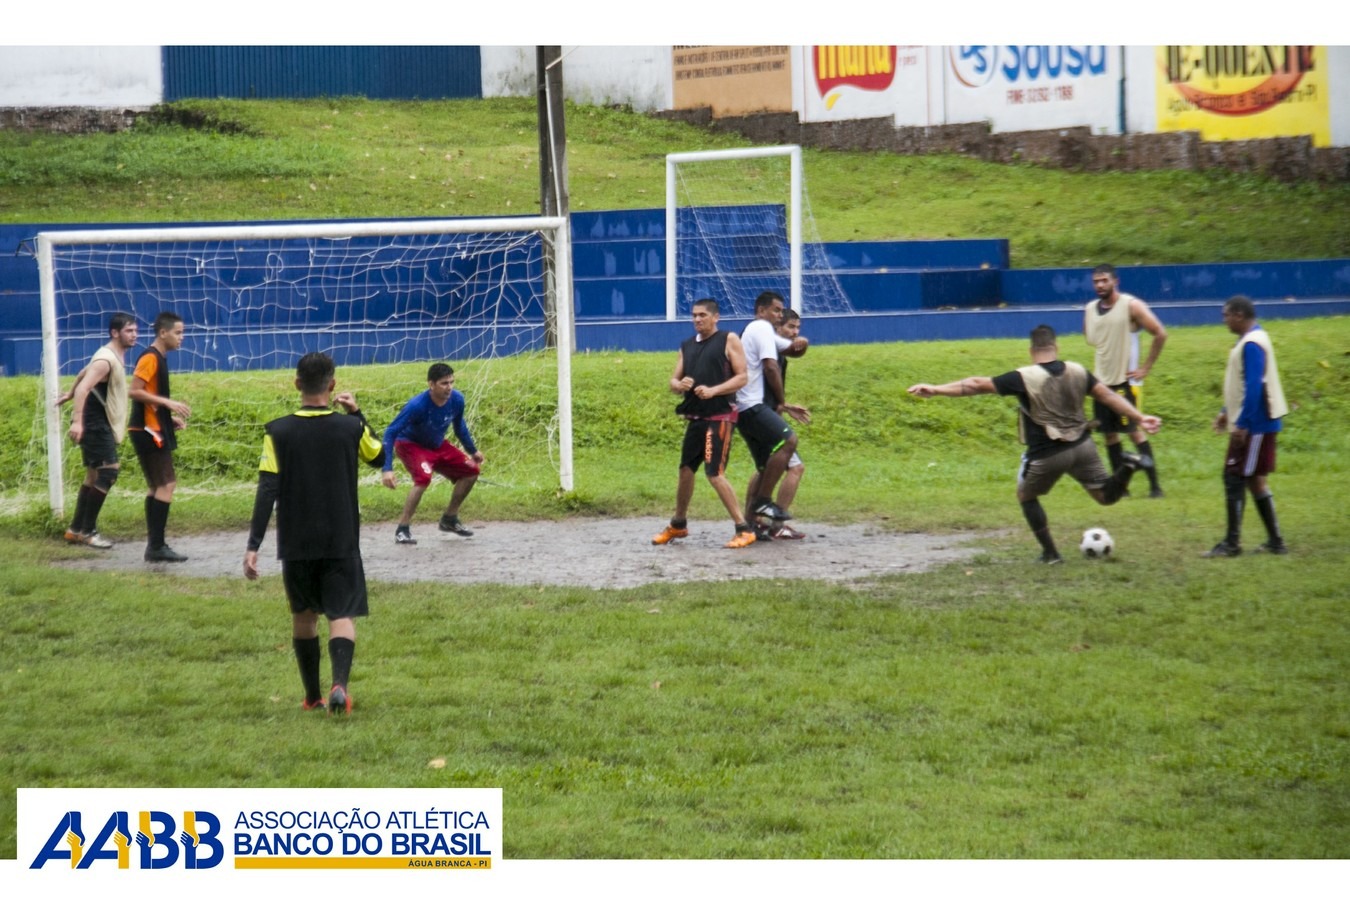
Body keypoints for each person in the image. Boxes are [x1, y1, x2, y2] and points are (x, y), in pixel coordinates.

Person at [907, 324, 1161, 564]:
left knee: (1026, 495)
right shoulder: (1077, 370)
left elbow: (975, 384)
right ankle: (1127, 465)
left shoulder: (1023, 377)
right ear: (1056, 346)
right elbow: (1107, 396)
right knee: (1105, 497)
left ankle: (1051, 553)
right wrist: (1140, 417)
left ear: (1031, 350)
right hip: (1083, 447)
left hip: (1048, 453)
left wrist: (936, 389)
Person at [244, 352, 386, 715]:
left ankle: (312, 696)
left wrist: (253, 545)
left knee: (304, 617)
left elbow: (267, 489)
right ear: (333, 385)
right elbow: (378, 455)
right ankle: (340, 684)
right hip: (340, 538)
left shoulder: (277, 431)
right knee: (342, 614)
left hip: (296, 540)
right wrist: (356, 413)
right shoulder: (350, 428)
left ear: (296, 385)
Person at [651, 298, 757, 549]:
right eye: (694, 315)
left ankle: (744, 529)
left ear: (715, 317)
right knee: (686, 470)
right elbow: (673, 382)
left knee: (714, 473)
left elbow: (742, 377)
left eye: (703, 315)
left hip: (718, 418)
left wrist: (715, 390)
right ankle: (678, 524)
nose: (698, 319)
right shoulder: (686, 346)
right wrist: (680, 385)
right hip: (695, 418)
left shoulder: (728, 339)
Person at [1203, 296, 1289, 557]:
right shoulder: (1253, 338)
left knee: (1234, 476)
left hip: (1255, 425)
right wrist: (1225, 412)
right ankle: (1275, 542)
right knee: (1254, 479)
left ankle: (1232, 544)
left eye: (1226, 315)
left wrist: (1242, 424)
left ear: (1239, 315)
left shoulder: (1251, 344)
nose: (1224, 320)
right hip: (1256, 422)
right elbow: (1241, 386)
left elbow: (1254, 387)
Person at [1083, 263, 1167, 497]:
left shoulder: (1131, 306)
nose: (1100, 285)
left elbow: (1160, 333)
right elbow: (1091, 338)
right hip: (1101, 382)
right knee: (1109, 434)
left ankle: (1155, 487)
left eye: (1104, 280)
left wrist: (1145, 368)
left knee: (1134, 431)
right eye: (1096, 281)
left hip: (1126, 381)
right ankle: (1122, 487)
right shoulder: (1090, 309)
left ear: (1115, 281)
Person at [59, 312, 138, 549]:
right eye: (129, 331)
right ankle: (88, 531)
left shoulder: (108, 356)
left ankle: (75, 529)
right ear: (115, 332)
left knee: (93, 476)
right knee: (108, 473)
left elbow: (84, 373)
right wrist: (77, 421)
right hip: (95, 423)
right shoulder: (107, 359)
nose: (134, 335)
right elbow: (86, 386)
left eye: (135, 330)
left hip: (98, 422)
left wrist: (70, 392)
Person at [381, 362, 483, 544]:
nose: (449, 387)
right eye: (444, 383)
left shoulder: (457, 400)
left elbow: (459, 427)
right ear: (431, 384)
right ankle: (402, 528)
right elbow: (390, 432)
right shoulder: (417, 406)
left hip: (436, 444)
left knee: (472, 470)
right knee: (423, 478)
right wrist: (387, 468)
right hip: (411, 445)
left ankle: (450, 519)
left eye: (452, 382)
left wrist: (473, 451)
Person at [734, 291, 809, 530]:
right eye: (776, 311)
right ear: (761, 311)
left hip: (745, 410)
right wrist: (782, 401)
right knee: (790, 441)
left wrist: (802, 345)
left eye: (781, 311)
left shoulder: (762, 332)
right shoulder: (761, 328)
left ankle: (750, 525)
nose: (778, 315)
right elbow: (770, 367)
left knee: (765, 466)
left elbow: (791, 351)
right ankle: (765, 505)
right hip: (752, 406)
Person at [128, 311, 192, 563]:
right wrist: (168, 403)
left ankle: (155, 545)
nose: (181, 338)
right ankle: (156, 546)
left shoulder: (159, 357)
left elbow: (149, 397)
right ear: (163, 332)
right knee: (167, 484)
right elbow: (134, 391)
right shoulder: (150, 357)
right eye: (178, 333)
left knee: (157, 486)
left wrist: (167, 416)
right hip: (147, 430)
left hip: (150, 426)